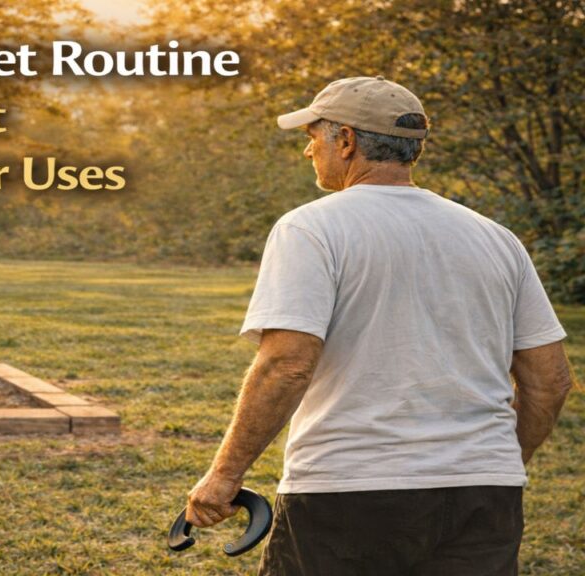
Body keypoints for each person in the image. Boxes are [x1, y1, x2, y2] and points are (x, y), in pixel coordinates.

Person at [183, 76, 574, 575]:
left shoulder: (311, 228)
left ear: (345, 141)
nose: (308, 150)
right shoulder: (496, 238)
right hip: (483, 494)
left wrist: (224, 477)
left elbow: (286, 365)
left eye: (314, 135)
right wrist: (494, 461)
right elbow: (551, 380)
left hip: (350, 491)